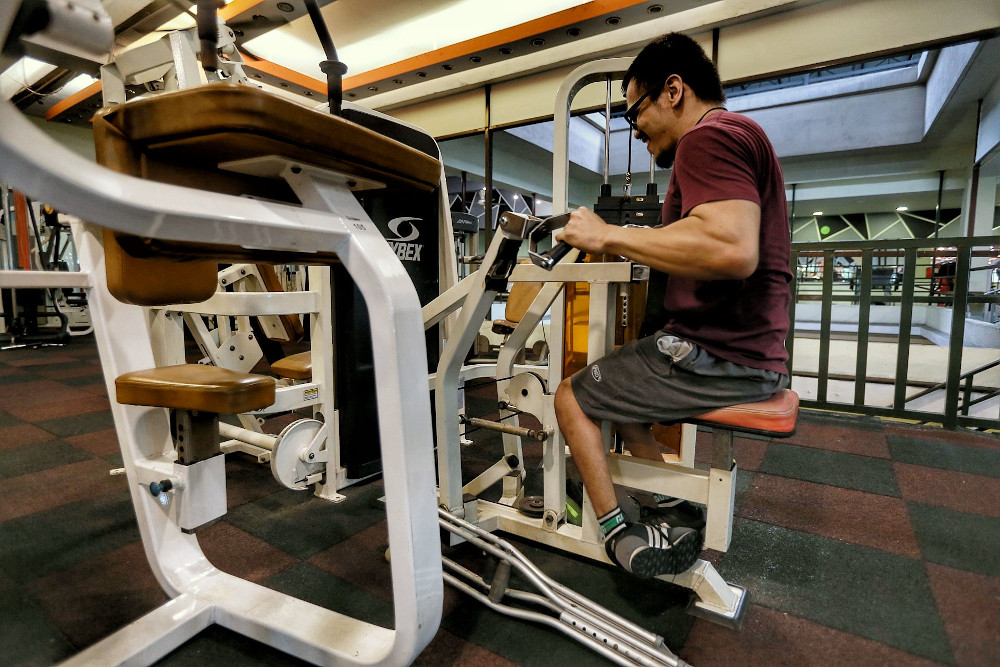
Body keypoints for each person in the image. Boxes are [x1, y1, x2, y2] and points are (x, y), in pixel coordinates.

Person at [553, 32, 792, 579]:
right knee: (617, 388)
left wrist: (610, 235)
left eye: (636, 109)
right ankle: (669, 507)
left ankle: (615, 532)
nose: (634, 127)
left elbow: (731, 248)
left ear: (674, 90)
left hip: (723, 355)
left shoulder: (708, 138)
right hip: (745, 352)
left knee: (571, 397)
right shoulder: (739, 134)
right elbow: (711, 237)